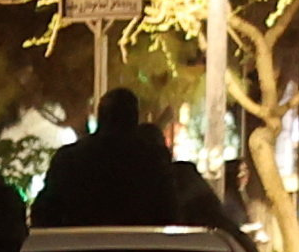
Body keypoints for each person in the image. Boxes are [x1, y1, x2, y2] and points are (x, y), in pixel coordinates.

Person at [32, 86, 222, 232]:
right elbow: (168, 212)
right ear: (134, 117)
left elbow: (44, 213)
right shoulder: (151, 160)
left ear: (101, 116)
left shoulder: (69, 158)